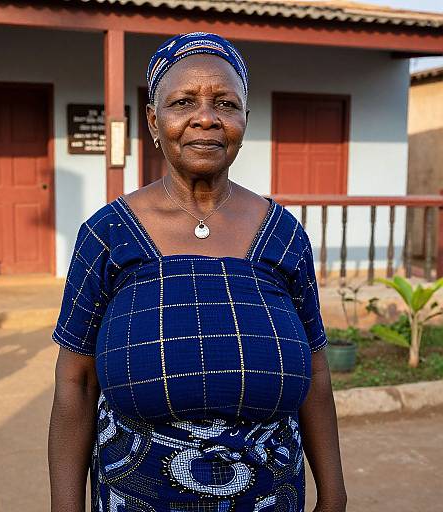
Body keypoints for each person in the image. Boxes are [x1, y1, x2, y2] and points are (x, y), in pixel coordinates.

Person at [48, 32, 347, 512]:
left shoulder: (284, 235)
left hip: (271, 498)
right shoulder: (108, 235)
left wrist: (333, 494)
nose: (205, 117)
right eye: (183, 101)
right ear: (153, 119)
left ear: (244, 119)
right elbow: (75, 384)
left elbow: (315, 372)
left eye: (225, 103)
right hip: (137, 497)